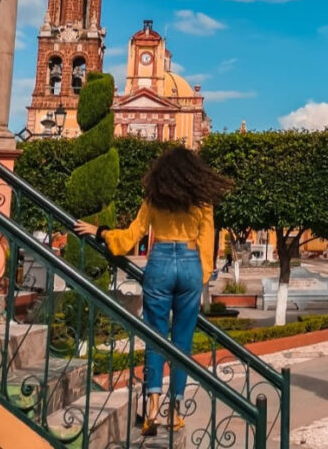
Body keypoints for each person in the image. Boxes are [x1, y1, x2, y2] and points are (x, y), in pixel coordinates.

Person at [74, 147, 231, 436]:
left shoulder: (154, 198)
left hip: (158, 262)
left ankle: (152, 410)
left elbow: (132, 236)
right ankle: (176, 411)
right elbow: (207, 246)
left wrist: (101, 232)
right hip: (189, 264)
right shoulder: (203, 202)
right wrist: (202, 276)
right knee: (182, 343)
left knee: (155, 338)